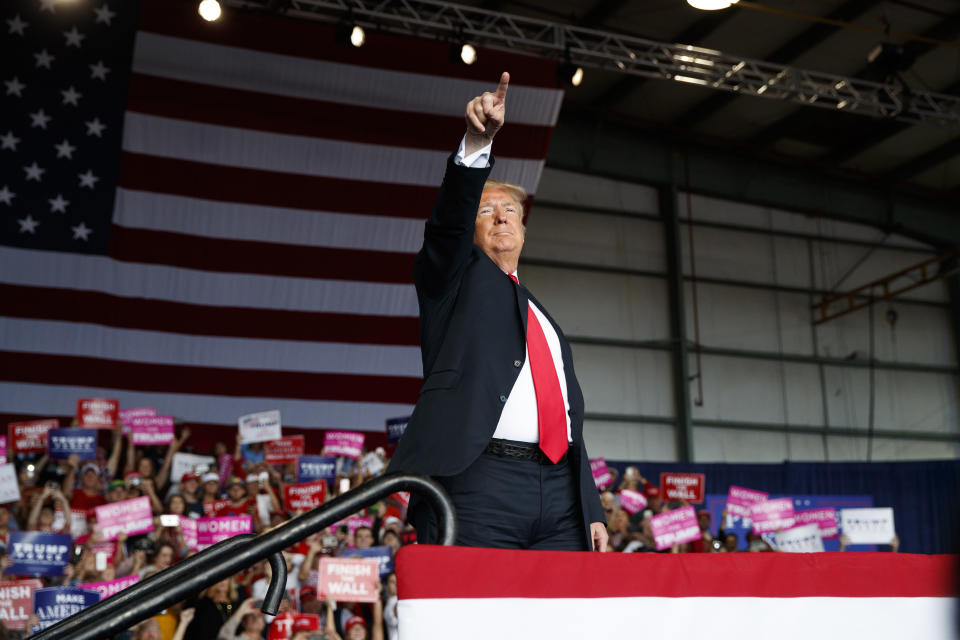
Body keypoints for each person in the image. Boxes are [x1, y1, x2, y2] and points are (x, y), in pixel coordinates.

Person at [387, 72, 606, 551]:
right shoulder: (451, 283)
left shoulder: (544, 321)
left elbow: (569, 419)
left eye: (510, 209)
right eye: (487, 211)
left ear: (525, 230)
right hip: (479, 483)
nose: (503, 215)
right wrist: (476, 144)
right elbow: (447, 226)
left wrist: (591, 507)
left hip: (561, 497)